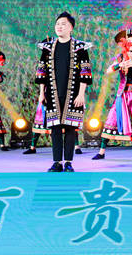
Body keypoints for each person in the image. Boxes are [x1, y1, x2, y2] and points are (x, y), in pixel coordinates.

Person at [35, 12, 93, 172]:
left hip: (74, 95)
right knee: (54, 128)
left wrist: (81, 94)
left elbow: (85, 72)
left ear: (71, 27)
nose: (59, 27)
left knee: (70, 128)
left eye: (63, 24)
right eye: (57, 24)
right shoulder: (47, 48)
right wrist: (41, 93)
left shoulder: (80, 47)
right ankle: (56, 162)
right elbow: (41, 72)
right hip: (52, 94)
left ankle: (68, 162)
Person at [92, 29, 132, 160]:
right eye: (128, 41)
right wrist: (120, 65)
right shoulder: (120, 57)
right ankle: (101, 152)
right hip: (123, 94)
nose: (130, 43)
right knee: (112, 119)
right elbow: (109, 70)